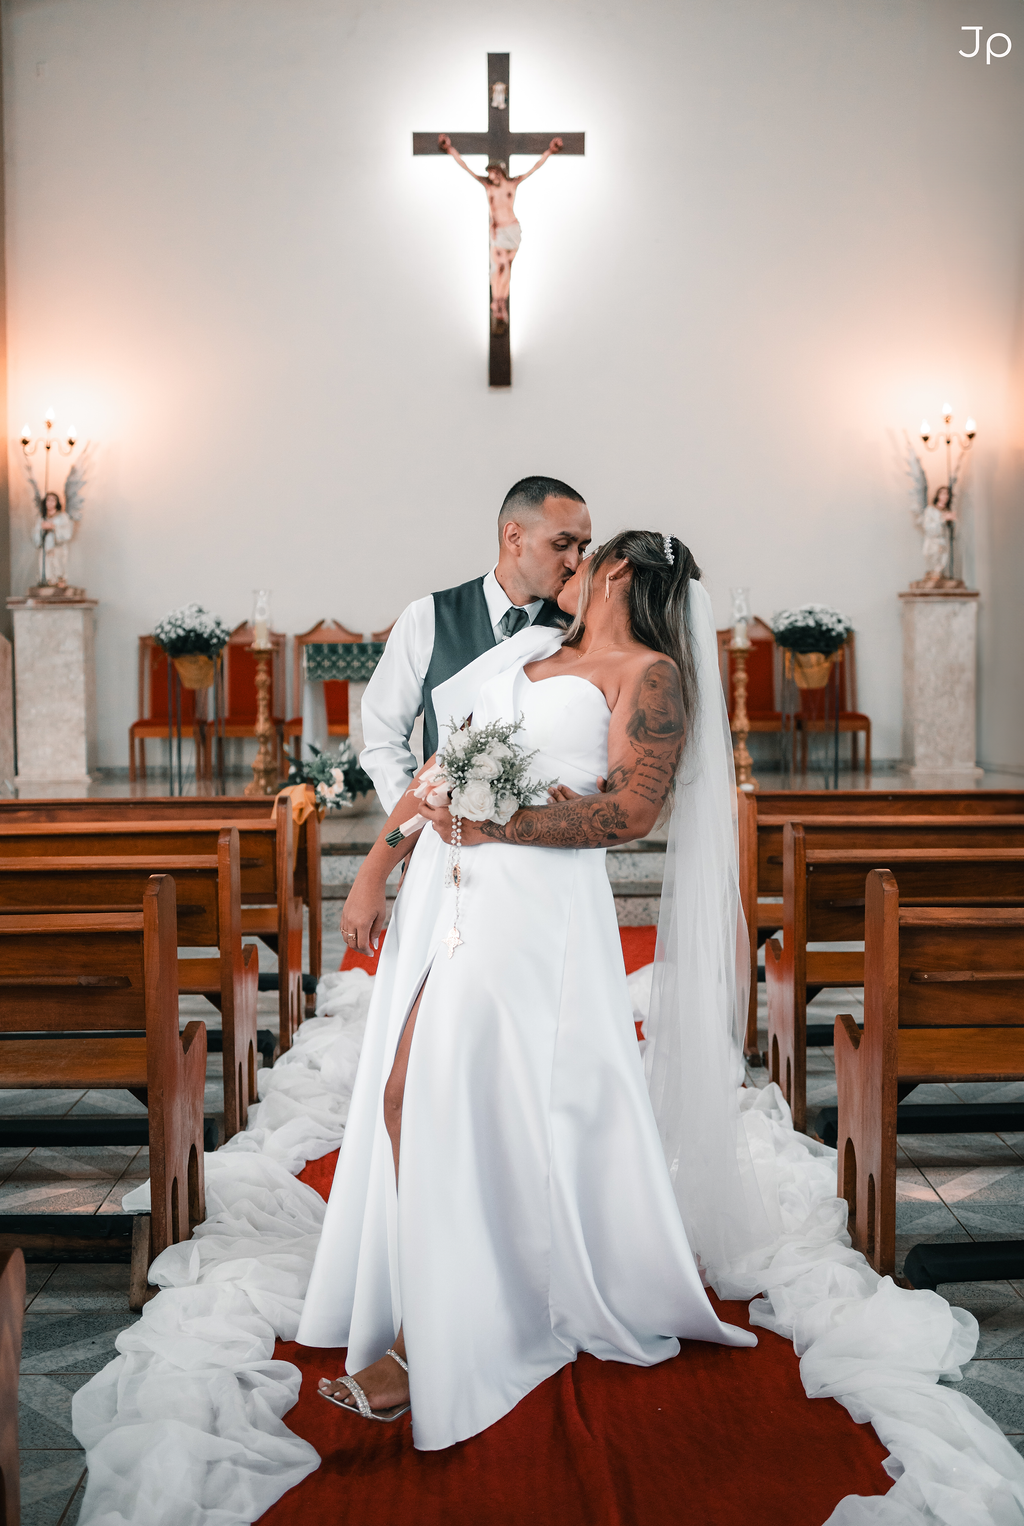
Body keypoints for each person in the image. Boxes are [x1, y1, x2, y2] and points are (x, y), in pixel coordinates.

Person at [295, 529, 758, 1450]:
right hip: (445, 889)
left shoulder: (649, 674)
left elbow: (634, 808)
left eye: (591, 554)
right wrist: (375, 869)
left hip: (531, 908)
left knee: (429, 1096)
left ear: (620, 572)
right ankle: (442, 1293)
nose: (573, 566)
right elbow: (443, 769)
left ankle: (433, 1342)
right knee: (406, 1094)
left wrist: (506, 821)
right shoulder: (535, 650)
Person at [360, 475, 592, 813]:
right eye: (562, 545)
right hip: (442, 839)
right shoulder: (428, 617)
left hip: (542, 838)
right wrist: (415, 823)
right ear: (514, 537)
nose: (575, 562)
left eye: (582, 548)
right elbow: (383, 737)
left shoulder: (581, 629)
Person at [438, 134, 563, 328]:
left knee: (506, 268)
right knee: (501, 266)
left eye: (494, 172)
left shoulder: (512, 185)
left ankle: (500, 301)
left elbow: (535, 167)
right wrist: (450, 149)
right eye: (490, 173)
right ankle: (498, 301)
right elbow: (465, 166)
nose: (491, 175)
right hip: (498, 232)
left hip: (512, 230)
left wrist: (550, 151)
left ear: (501, 171)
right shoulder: (488, 187)